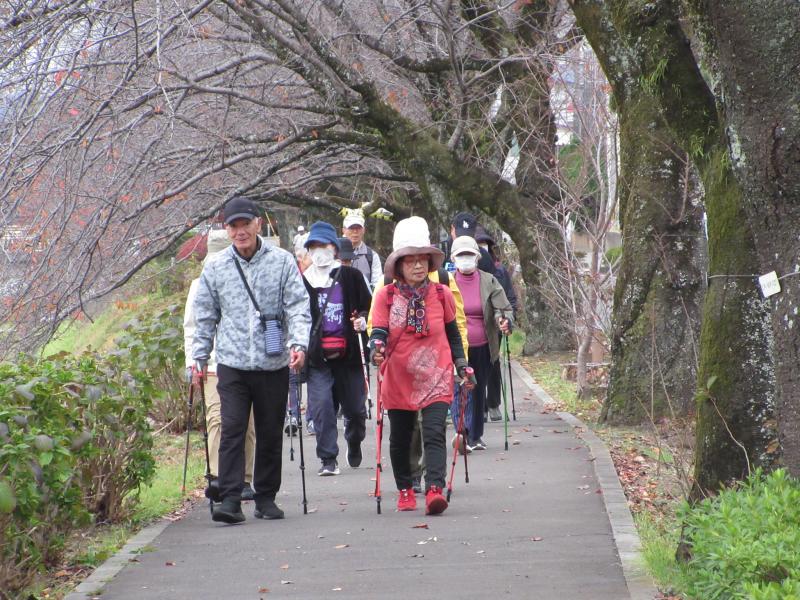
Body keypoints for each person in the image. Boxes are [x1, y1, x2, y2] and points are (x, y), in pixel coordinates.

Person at [192, 196, 311, 524]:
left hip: (273, 362)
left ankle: (266, 497)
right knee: (232, 428)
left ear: (259, 223)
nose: (240, 231)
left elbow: (298, 306)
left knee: (271, 430)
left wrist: (299, 343)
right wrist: (198, 357)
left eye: (246, 223)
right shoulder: (215, 266)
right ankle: (230, 498)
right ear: (226, 229)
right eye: (234, 225)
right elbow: (204, 315)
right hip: (231, 362)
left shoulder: (283, 261)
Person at [370, 216, 473, 515]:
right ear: (398, 264)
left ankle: (434, 490)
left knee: (434, 432)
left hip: (437, 373)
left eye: (422, 259)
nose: (417, 265)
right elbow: (379, 331)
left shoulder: (441, 294)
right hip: (400, 374)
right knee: (401, 436)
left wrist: (461, 363)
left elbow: (453, 332)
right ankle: (404, 488)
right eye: (410, 260)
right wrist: (376, 348)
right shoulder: (385, 296)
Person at [183, 228, 256, 502]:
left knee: (246, 422)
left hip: (243, 361)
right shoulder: (198, 285)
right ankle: (217, 476)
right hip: (212, 363)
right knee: (217, 418)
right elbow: (191, 326)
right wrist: (194, 362)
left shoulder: (249, 278)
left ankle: (245, 478)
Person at [302, 222, 372, 476]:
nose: (319, 251)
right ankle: (328, 459)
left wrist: (362, 320)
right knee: (322, 408)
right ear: (308, 250)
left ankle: (354, 441)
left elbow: (368, 306)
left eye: (324, 246)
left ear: (335, 248)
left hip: (348, 355)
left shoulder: (351, 277)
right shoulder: (303, 281)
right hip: (318, 358)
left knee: (355, 410)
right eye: (314, 246)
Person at [450, 236, 513, 451]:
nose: (465, 259)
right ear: (453, 259)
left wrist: (504, 321)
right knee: (460, 388)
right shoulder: (446, 282)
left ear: (477, 257)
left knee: (478, 389)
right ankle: (462, 432)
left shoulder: (489, 280)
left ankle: (475, 435)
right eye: (461, 255)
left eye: (469, 254)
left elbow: (503, 308)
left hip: (484, 345)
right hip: (457, 346)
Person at [475, 226, 518, 422]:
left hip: (495, 322)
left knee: (493, 362)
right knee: (474, 365)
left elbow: (510, 297)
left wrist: (508, 319)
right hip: (474, 325)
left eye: (485, 244)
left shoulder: (499, 271)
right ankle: (478, 406)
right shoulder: (467, 274)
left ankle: (493, 403)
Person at [342, 208, 382, 290]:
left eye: (358, 228)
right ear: (344, 230)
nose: (355, 231)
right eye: (351, 228)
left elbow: (377, 285)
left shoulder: (372, 256)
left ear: (363, 230)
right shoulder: (334, 253)